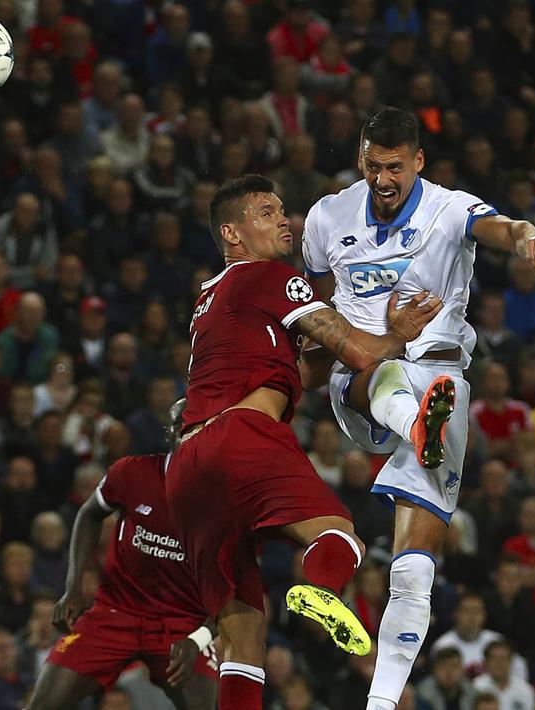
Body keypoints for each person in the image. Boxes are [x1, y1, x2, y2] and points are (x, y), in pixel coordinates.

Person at [300, 107, 535, 710]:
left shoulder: (450, 209)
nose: (382, 179)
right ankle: (415, 422)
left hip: (440, 378)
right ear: (360, 161)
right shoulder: (326, 217)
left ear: (418, 161)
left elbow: (506, 228)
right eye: (372, 166)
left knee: (415, 569)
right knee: (381, 370)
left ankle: (383, 702)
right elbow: (311, 308)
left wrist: (530, 237)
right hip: (361, 379)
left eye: (393, 166)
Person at [165, 174, 442, 710]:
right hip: (242, 439)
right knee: (340, 537)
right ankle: (322, 590)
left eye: (282, 209)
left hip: (187, 463)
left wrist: (346, 343)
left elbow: (296, 371)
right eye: (266, 212)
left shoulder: (211, 295)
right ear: (233, 232)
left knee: (242, 635)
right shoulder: (272, 276)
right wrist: (397, 334)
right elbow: (357, 351)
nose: (284, 220)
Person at [27, 400, 215, 710]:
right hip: (115, 612)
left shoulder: (228, 500)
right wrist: (72, 588)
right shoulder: (132, 472)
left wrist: (199, 639)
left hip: (183, 623)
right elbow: (89, 514)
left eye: (198, 426)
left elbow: (236, 587)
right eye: (182, 425)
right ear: (169, 433)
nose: (189, 433)